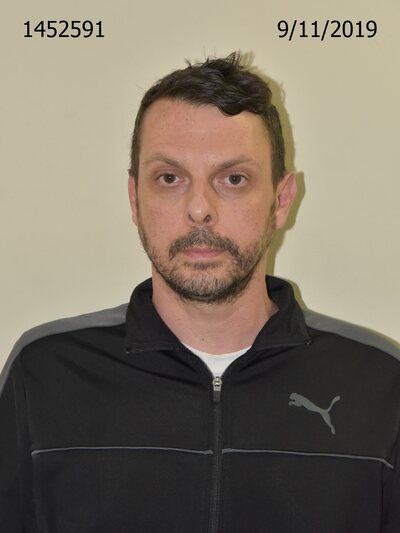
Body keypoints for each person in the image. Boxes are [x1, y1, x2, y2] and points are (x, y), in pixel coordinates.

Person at [0, 52, 399, 533]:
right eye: (170, 178)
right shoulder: (45, 373)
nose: (199, 210)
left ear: (281, 200)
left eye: (234, 179)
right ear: (135, 199)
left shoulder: (379, 383)